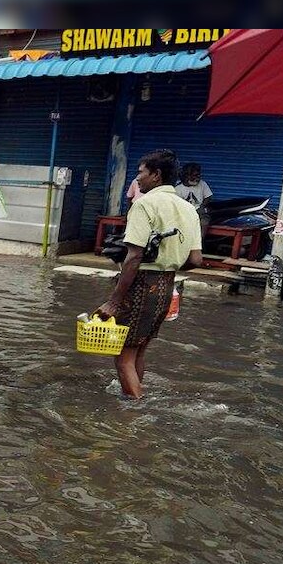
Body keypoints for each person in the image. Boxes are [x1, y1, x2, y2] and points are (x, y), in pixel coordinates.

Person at [97, 149, 203, 399]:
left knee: (123, 356)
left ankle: (133, 413)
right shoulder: (188, 209)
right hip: (166, 287)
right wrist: (168, 263)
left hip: (141, 285)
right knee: (138, 350)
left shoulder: (144, 204)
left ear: (156, 175)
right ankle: (133, 396)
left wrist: (114, 301)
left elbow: (133, 257)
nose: (138, 179)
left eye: (140, 173)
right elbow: (196, 259)